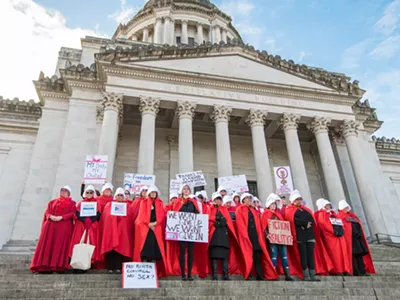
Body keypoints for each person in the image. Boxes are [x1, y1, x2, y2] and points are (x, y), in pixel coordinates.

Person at [285, 190, 333, 281]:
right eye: (297, 200)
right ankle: (306, 275)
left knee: (310, 255)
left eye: (300, 199)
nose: (299, 201)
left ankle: (312, 274)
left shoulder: (306, 209)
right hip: (300, 236)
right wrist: (304, 224)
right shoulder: (290, 210)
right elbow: (292, 220)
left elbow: (311, 218)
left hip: (310, 235)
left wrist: (306, 223)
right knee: (303, 255)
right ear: (293, 201)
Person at [30, 186, 76, 273]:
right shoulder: (53, 202)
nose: (63, 192)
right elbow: (47, 211)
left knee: (60, 245)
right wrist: (50, 216)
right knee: (48, 244)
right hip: (51, 226)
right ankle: (44, 265)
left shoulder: (72, 203)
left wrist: (62, 217)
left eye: (65, 191)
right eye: (62, 190)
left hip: (64, 226)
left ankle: (58, 266)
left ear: (69, 193)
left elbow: (73, 213)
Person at [235, 193, 278, 280]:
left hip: (255, 236)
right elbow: (240, 224)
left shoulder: (253, 210)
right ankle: (249, 274)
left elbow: (258, 224)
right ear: (243, 200)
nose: (249, 200)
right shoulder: (239, 209)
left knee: (257, 255)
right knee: (248, 255)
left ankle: (260, 275)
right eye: (247, 198)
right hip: (247, 236)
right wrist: (244, 235)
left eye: (249, 198)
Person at [166, 184, 200, 281]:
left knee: (190, 252)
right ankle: (182, 274)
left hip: (190, 231)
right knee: (182, 251)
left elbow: (197, 215)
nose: (186, 190)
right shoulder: (177, 202)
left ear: (190, 191)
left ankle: (189, 273)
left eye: (188, 189)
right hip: (181, 231)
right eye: (184, 189)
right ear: (181, 191)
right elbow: (174, 214)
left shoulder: (193, 202)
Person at [133, 186, 169, 277]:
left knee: (156, 244)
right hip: (146, 227)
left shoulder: (160, 203)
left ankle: (154, 261)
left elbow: (161, 215)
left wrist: (155, 223)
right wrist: (148, 224)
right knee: (146, 243)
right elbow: (142, 214)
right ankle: (145, 259)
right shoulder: (143, 202)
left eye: (154, 193)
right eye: (152, 193)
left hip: (156, 227)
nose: (153, 194)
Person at [208, 193, 243, 280]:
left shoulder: (224, 209)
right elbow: (208, 217)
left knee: (224, 255)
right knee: (214, 255)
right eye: (216, 199)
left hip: (223, 234)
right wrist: (216, 219)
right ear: (213, 200)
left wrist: (220, 221)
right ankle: (214, 275)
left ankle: (225, 274)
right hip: (214, 234)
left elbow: (226, 220)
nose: (218, 201)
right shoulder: (210, 208)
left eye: (219, 199)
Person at [100, 187, 134, 274]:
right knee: (110, 249)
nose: (119, 197)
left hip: (122, 232)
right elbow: (106, 217)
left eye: (121, 195)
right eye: (118, 195)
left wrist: (121, 220)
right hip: (111, 231)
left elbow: (130, 218)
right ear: (115, 196)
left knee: (121, 249)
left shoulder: (128, 206)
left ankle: (118, 267)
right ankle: (110, 267)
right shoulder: (109, 205)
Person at [337, 200, 375, 276]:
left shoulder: (352, 216)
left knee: (359, 255)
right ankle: (356, 272)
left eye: (347, 207)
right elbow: (344, 228)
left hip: (357, 239)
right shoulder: (340, 217)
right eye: (345, 207)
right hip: (350, 240)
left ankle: (362, 271)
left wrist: (359, 233)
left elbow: (358, 224)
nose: (346, 209)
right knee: (353, 256)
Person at [261, 193, 293, 281]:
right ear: (268, 205)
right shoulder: (265, 214)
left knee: (284, 256)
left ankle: (287, 275)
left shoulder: (279, 214)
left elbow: (283, 226)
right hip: (272, 239)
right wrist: (267, 235)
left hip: (281, 239)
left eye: (274, 204)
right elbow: (263, 227)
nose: (273, 205)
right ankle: (273, 274)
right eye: (272, 204)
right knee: (273, 256)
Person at [69, 185, 101, 270]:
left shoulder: (97, 203)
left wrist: (90, 220)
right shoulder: (81, 202)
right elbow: (77, 213)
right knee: (79, 242)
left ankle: (89, 262)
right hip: (81, 225)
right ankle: (78, 262)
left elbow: (98, 214)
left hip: (92, 225)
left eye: (91, 192)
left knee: (91, 243)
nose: (89, 194)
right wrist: (84, 220)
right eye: (87, 192)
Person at [317, 199, 351, 275]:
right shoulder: (322, 214)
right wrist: (333, 231)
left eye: (329, 205)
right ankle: (337, 270)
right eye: (326, 205)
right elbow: (324, 225)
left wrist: (342, 230)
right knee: (335, 255)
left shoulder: (333, 213)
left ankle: (345, 269)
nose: (328, 206)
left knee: (343, 254)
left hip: (338, 236)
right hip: (331, 237)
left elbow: (340, 223)